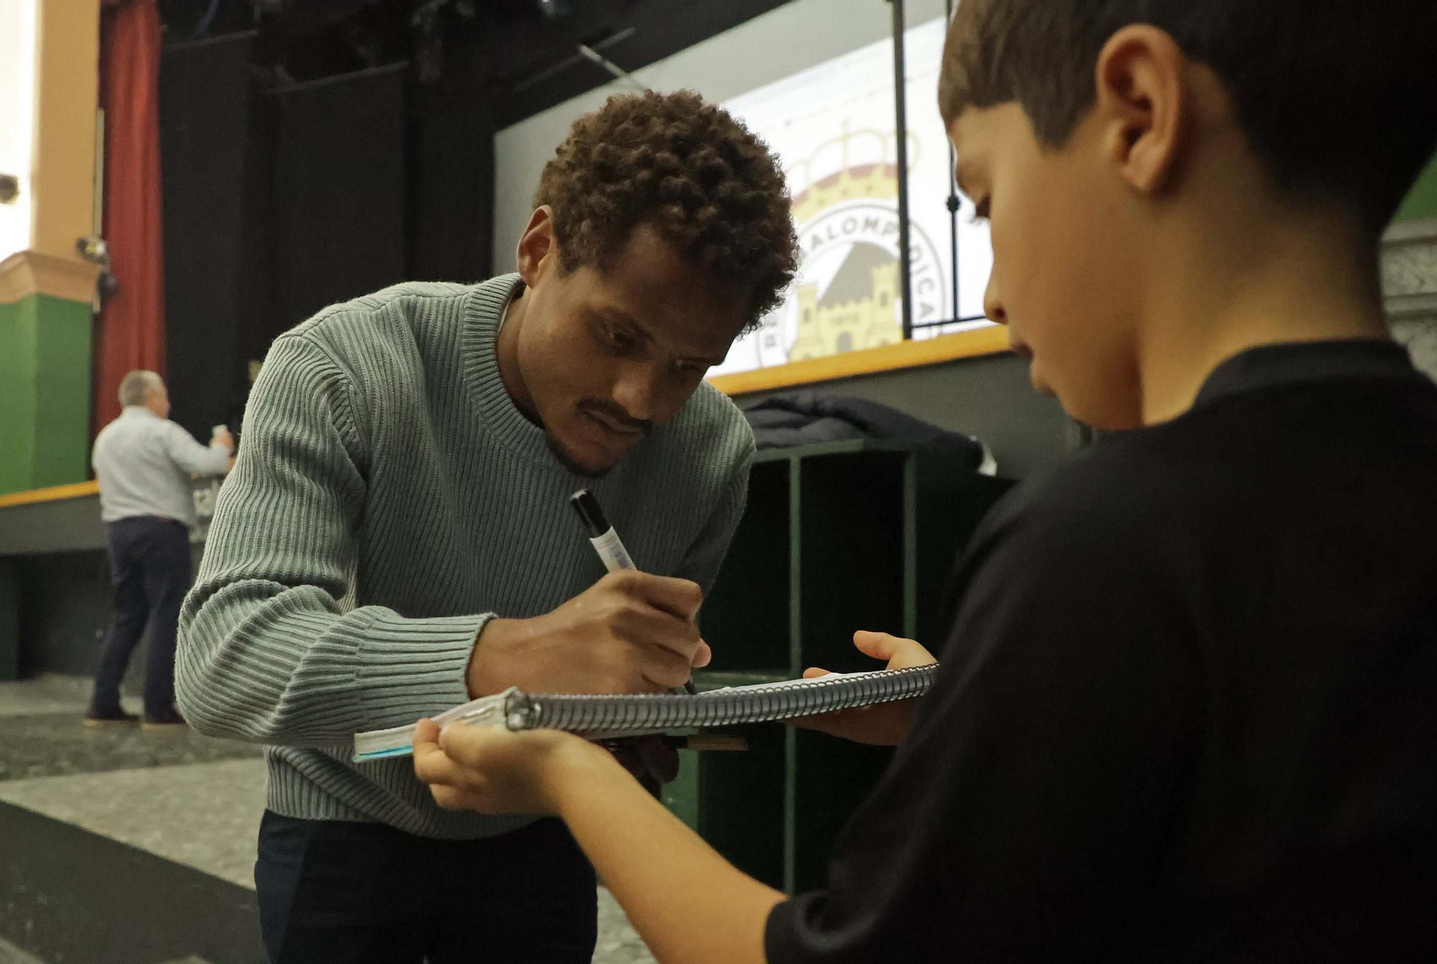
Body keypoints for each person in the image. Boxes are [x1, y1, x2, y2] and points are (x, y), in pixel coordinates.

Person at [410, 1, 1437, 961]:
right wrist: (976, 708)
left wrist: (562, 766)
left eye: (983, 200)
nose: (988, 292)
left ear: (1137, 114)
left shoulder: (1098, 545)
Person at [175, 90, 798, 963]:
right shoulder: (344, 366)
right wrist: (501, 657)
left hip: (538, 835)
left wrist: (640, 718)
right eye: (616, 335)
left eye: (690, 367)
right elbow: (221, 656)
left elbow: (632, 698)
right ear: (539, 250)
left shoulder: (711, 449)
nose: (641, 402)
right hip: (344, 825)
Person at [87, 370, 233, 728]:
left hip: (119, 532)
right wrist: (222, 442)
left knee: (126, 618)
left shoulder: (104, 438)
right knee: (168, 615)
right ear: (150, 397)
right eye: (164, 395)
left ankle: (102, 703)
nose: (168, 402)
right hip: (161, 531)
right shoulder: (161, 431)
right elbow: (208, 464)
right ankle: (158, 708)